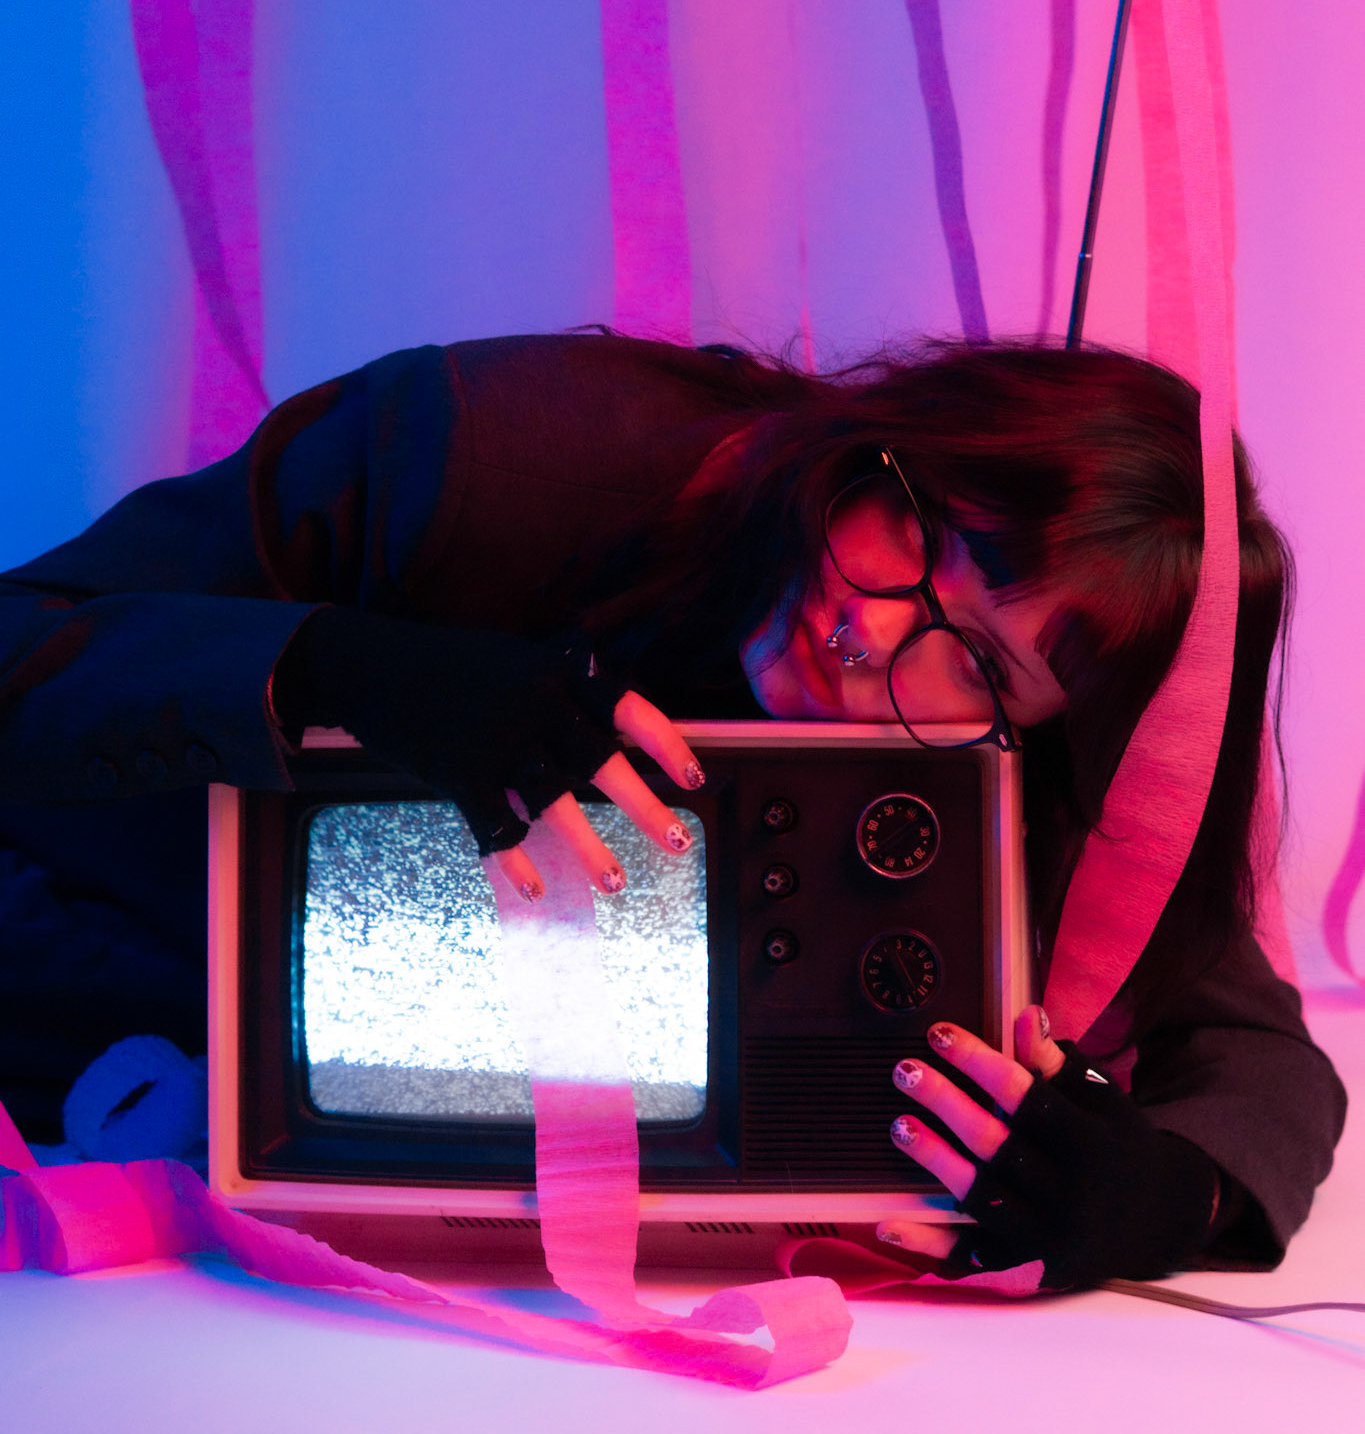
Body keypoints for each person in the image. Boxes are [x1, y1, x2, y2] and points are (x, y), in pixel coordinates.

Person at [0, 328, 1345, 1288]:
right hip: (71, 1035)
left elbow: (1256, 1054)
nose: (873, 637)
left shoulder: (1021, 791)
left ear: (1050, 740)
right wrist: (334, 663)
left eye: (983, 665)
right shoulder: (485, 447)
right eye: (920, 536)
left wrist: (1169, 1200)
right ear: (896, 439)